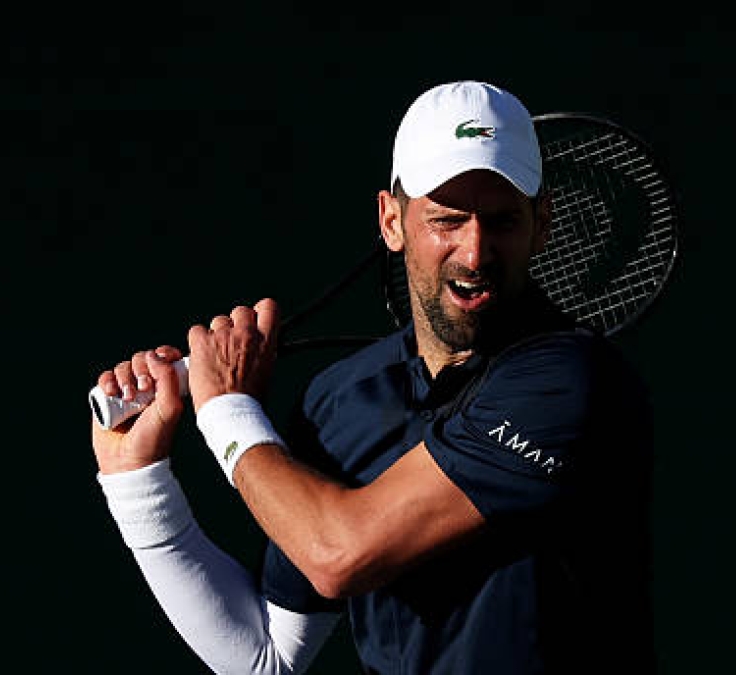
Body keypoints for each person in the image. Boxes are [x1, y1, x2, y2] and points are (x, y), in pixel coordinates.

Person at [91, 80, 656, 674]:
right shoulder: (342, 400)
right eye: (446, 220)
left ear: (542, 224)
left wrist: (226, 412)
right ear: (391, 221)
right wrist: (136, 482)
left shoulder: (570, 382)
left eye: (503, 221)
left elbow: (338, 553)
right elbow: (265, 659)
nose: (475, 251)